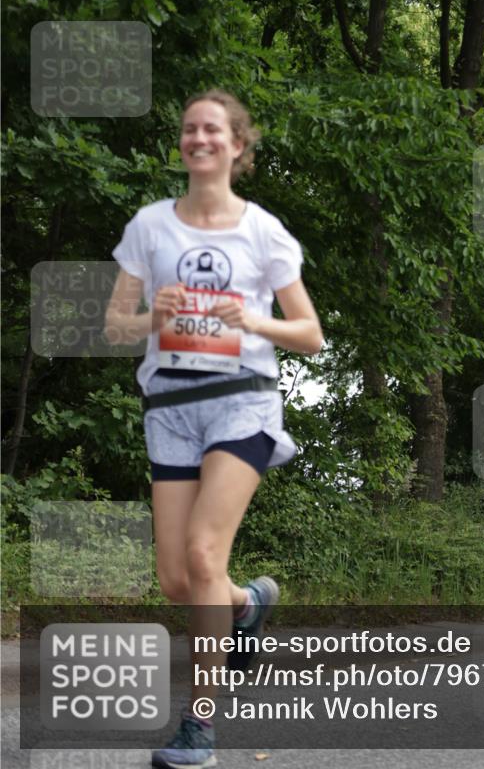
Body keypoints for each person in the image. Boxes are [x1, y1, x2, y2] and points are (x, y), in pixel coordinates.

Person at [105, 88, 323, 768]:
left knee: (203, 554)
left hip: (242, 402)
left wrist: (254, 321)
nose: (199, 137)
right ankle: (248, 603)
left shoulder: (263, 231)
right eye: (188, 128)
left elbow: (310, 336)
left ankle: (197, 725)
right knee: (178, 579)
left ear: (236, 146)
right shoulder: (148, 226)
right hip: (169, 408)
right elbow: (115, 327)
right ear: (183, 144)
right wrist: (152, 319)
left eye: (213, 129)